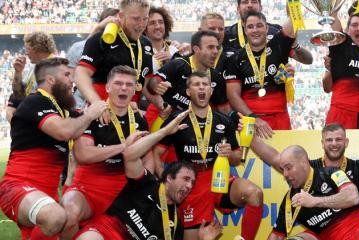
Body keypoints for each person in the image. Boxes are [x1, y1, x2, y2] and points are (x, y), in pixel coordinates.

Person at [0, 58, 107, 239]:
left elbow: (84, 121)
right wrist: (90, 113)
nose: (71, 80)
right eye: (66, 75)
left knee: (70, 223)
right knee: (56, 216)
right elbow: (63, 131)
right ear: (51, 80)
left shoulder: (64, 111)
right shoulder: (35, 101)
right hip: (18, 187)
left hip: (46, 195)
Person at [75, 111, 222, 240]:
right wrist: (164, 132)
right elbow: (130, 155)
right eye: (185, 179)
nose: (189, 186)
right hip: (106, 231)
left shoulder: (176, 227)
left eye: (192, 183)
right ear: (169, 178)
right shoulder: (146, 183)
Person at [155, 71, 264, 240]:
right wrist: (165, 183)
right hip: (191, 185)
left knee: (254, 193)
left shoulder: (224, 121)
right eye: (196, 84)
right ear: (188, 91)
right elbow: (156, 153)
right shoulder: (177, 119)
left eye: (205, 84)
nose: (201, 88)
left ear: (211, 91)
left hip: (219, 178)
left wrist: (228, 154)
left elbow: (236, 159)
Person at [60, 66, 150, 239]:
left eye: (129, 85)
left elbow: (148, 160)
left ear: (134, 90)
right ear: (107, 87)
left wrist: (145, 192)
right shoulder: (91, 113)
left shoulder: (139, 120)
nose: (123, 88)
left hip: (124, 191)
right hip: (88, 187)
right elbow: (83, 155)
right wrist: (124, 146)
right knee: (67, 215)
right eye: (118, 83)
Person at [248, 142, 359, 240]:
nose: (284, 174)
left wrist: (316, 201)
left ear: (304, 163)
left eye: (288, 167)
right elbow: (277, 236)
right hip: (325, 236)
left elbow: (352, 197)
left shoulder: (331, 173)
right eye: (282, 169)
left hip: (357, 226)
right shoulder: (290, 200)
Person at [223, 10, 300, 134]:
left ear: (267, 28)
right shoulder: (235, 59)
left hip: (280, 119)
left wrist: (294, 5)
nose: (255, 30)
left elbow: (292, 22)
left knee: (285, 154)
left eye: (259, 26)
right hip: (251, 122)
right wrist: (254, 118)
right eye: (250, 27)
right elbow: (233, 96)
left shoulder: (277, 46)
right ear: (245, 30)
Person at [76, 0, 156, 111]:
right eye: (136, 18)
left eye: (145, 19)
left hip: (130, 114)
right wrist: (97, 104)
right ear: (121, 16)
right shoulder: (102, 39)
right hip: (102, 115)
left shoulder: (146, 43)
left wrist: (162, 105)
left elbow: (145, 84)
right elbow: (80, 75)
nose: (141, 24)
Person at [322, 8, 359, 129]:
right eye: (354, 25)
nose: (358, 28)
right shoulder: (341, 44)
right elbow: (333, 15)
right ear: (348, 30)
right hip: (341, 111)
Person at [149, 30, 229, 113]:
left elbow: (223, 109)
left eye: (217, 48)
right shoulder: (178, 64)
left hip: (193, 122)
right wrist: (156, 86)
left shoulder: (216, 77)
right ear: (196, 49)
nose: (216, 51)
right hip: (164, 116)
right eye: (210, 47)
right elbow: (154, 81)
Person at [222, 0, 312, 65]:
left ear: (261, 7)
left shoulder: (276, 31)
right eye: (245, 2)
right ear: (238, 8)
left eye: (254, 1)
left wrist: (295, 46)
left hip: (273, 89)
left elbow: (308, 60)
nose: (249, 5)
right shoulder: (225, 34)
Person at [7, 31, 58, 121]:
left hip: (45, 124)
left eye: (28, 49)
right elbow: (18, 95)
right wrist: (18, 72)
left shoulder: (56, 67)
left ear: (37, 48)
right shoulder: (34, 67)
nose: (26, 53)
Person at [145, 6, 178, 71]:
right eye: (152, 23)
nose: (158, 26)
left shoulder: (175, 51)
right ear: (144, 28)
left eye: (161, 22)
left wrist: (173, 63)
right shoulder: (141, 52)